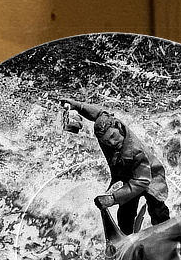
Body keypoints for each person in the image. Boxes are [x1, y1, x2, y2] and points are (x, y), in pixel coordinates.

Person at [61, 98, 170, 240]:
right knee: (125, 214)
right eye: (107, 141)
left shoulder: (135, 151)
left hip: (149, 177)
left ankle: (169, 237)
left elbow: (142, 181)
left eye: (113, 136)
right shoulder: (108, 126)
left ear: (118, 127)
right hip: (129, 178)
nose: (112, 143)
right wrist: (78, 106)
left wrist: (112, 198)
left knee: (158, 211)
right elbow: (98, 114)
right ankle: (126, 240)